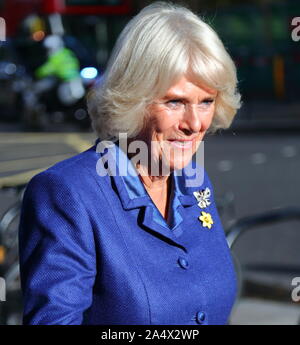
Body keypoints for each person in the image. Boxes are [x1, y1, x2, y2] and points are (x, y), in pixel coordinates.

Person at [19, 2, 241, 325]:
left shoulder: (192, 177)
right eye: (175, 101)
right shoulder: (66, 195)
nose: (195, 123)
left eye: (206, 101)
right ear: (132, 99)